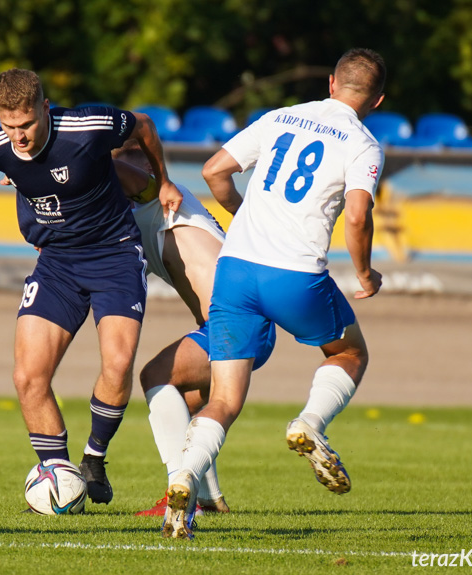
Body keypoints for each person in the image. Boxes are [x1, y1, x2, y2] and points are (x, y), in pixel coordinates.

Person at [163, 48, 387, 539]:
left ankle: (183, 478)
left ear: (331, 82)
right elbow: (356, 215)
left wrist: (242, 216)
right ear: (378, 100)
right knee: (348, 352)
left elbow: (213, 171)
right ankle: (310, 422)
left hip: (236, 271)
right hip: (295, 275)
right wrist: (365, 273)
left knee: (223, 399)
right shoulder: (364, 143)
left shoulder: (281, 116)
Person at [0, 69, 182, 506]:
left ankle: (94, 458)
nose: (18, 136)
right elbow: (31, 178)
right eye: (8, 126)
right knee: (27, 377)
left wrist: (163, 181)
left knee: (117, 363)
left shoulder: (88, 127)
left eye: (27, 125)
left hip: (114, 256)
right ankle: (58, 477)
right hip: (57, 266)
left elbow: (145, 124)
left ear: (45, 107)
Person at [111, 142, 275, 517]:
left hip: (238, 318)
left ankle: (178, 499)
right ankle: (207, 499)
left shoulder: (157, 198)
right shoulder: (145, 218)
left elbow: (112, 170)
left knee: (157, 376)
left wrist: (46, 163)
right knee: (187, 406)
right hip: (239, 319)